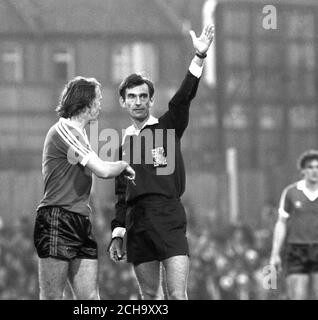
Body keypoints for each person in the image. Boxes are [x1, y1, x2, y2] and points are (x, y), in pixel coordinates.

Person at [108, 24, 215, 300]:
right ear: (123, 102)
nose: (138, 102)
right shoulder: (123, 146)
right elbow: (121, 195)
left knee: (177, 295)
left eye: (143, 96)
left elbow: (182, 100)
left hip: (168, 215)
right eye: (131, 97)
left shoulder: (167, 128)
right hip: (137, 222)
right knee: (148, 296)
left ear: (151, 100)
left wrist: (199, 57)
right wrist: (118, 233)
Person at [34, 76, 135, 300]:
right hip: (57, 219)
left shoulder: (80, 134)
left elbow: (102, 166)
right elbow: (102, 169)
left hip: (80, 220)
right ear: (85, 103)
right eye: (98, 100)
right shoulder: (63, 131)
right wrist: (125, 165)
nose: (100, 104)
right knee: (52, 296)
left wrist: (120, 166)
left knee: (90, 298)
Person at [270, 150, 318, 299]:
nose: (314, 171)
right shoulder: (291, 193)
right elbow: (281, 223)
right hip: (297, 248)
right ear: (303, 170)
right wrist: (275, 253)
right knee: (298, 295)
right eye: (310, 167)